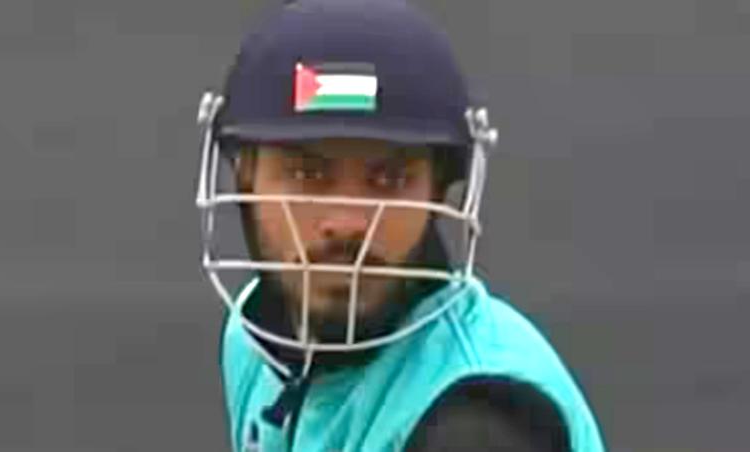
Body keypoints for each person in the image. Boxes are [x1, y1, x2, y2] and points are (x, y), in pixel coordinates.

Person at [194, 0, 606, 450]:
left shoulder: (475, 423)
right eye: (306, 174)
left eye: (389, 179)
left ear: (437, 191)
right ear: (246, 175)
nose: (347, 223)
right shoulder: (255, 340)